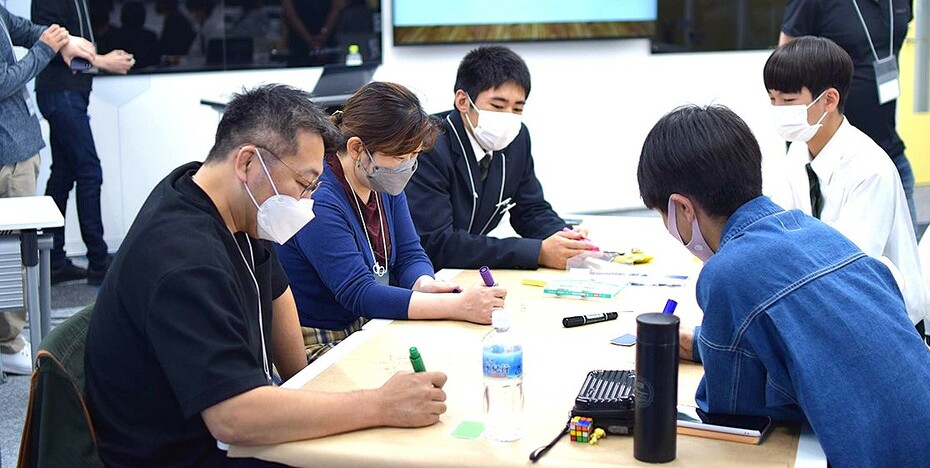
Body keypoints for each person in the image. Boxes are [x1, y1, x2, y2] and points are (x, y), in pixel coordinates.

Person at [85, 84, 447, 467]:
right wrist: (378, 404)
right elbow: (234, 419)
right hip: (186, 451)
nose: (308, 201)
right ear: (247, 163)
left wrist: (307, 384)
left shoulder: (223, 200)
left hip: (236, 422)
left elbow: (279, 293)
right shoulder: (185, 261)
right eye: (304, 183)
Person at [636, 104, 930, 467]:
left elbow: (734, 416)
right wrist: (705, 346)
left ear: (683, 208)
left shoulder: (727, 272)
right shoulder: (813, 231)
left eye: (663, 214)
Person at [275, 82, 506, 361]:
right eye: (399, 156)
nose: (407, 165)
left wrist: (423, 283)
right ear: (358, 147)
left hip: (367, 323)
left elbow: (410, 254)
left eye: (414, 156)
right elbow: (360, 293)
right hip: (319, 337)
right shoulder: (320, 198)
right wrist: (457, 305)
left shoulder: (381, 181)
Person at [763, 36, 929, 326]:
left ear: (829, 99)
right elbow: (780, 228)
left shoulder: (869, 169)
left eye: (788, 101)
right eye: (773, 100)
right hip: (829, 294)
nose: (779, 110)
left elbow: (846, 266)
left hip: (880, 314)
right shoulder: (801, 149)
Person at [405, 45, 594, 271]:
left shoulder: (517, 137)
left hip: (467, 272)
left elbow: (530, 209)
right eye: (497, 106)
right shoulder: (428, 145)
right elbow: (437, 242)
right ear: (462, 101)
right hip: (423, 277)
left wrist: (565, 238)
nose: (508, 118)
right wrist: (538, 252)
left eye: (517, 109)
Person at [0, 5, 93, 375]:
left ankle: (9, 340)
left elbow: (24, 28)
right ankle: (9, 343)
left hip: (16, 145)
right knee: (12, 256)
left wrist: (63, 41)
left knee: (12, 254)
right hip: (9, 153)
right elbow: (3, 81)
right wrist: (45, 49)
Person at [779, 0, 916, 227]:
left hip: (888, 150)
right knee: (836, 255)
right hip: (831, 164)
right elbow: (785, 70)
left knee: (903, 253)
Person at [32, 0, 136, 285]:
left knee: (63, 175)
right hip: (61, 93)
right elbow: (50, 46)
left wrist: (100, 60)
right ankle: (98, 261)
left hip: (68, 93)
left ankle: (54, 262)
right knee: (89, 171)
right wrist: (103, 61)